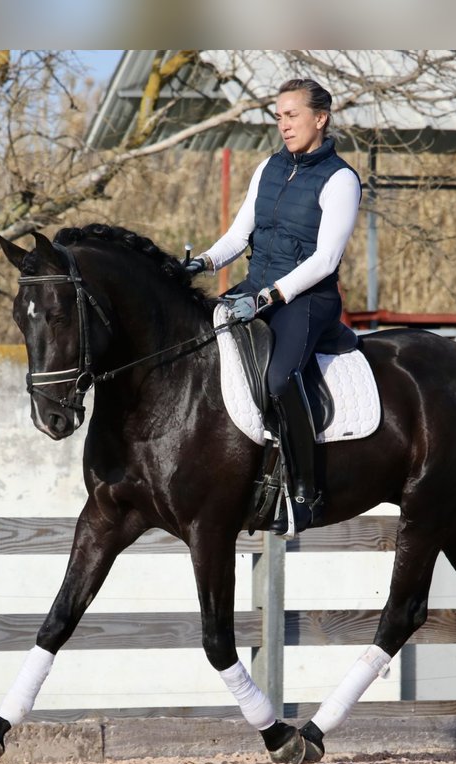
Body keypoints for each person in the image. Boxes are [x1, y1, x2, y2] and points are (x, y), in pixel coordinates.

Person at [184, 78, 362, 534]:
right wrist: (201, 262)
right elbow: (237, 237)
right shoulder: (267, 168)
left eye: (292, 115)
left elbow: (325, 259)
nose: (283, 125)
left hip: (306, 299)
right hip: (254, 288)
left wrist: (272, 295)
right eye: (278, 116)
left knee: (280, 379)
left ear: (319, 118)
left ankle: (304, 491)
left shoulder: (341, 179)